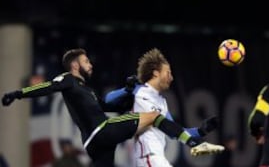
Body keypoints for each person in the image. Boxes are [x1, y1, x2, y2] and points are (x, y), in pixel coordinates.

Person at [1, 48, 224, 167]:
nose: (91, 64)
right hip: (101, 132)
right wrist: (17, 94)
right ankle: (194, 144)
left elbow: (105, 105)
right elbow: (49, 86)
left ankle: (195, 140)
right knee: (154, 116)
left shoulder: (86, 90)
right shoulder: (68, 78)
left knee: (156, 117)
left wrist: (201, 130)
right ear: (76, 65)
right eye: (87, 61)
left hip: (96, 145)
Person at [105, 48, 220, 167]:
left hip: (156, 158)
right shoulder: (138, 90)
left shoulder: (162, 102)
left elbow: (173, 131)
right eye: (168, 72)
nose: (171, 77)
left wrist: (200, 131)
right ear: (156, 73)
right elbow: (108, 100)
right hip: (148, 156)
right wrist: (126, 89)